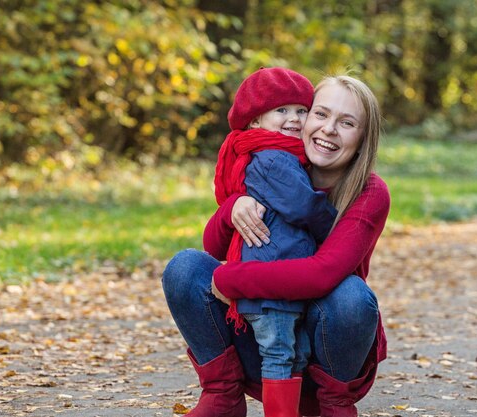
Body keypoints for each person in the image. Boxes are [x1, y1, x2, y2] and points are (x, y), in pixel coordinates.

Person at [162, 74, 390, 417]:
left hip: (324, 352)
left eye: (346, 123)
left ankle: (332, 405)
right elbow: (215, 247)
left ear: (362, 139)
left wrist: (230, 281)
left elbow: (321, 274)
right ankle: (222, 395)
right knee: (185, 267)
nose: (329, 129)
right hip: (261, 341)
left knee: (352, 297)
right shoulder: (275, 164)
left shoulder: (369, 191)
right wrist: (232, 208)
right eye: (321, 114)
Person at [213, 67, 339, 417]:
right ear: (254, 121)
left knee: (294, 353)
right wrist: (333, 223)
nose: (295, 119)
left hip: (279, 280)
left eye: (301, 110)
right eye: (281, 111)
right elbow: (302, 205)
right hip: (270, 284)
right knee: (280, 354)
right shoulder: (273, 159)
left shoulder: (283, 154)